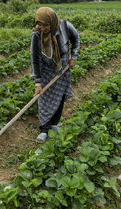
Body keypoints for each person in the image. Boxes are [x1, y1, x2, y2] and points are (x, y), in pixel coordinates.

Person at [30, 7, 80, 142]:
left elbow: (76, 39)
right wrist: (38, 82)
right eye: (39, 24)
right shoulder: (36, 35)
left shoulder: (65, 26)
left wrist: (73, 57)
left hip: (62, 67)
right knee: (44, 98)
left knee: (60, 95)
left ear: (52, 22)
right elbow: (35, 59)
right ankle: (44, 129)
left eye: (45, 25)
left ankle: (54, 124)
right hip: (46, 70)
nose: (42, 28)